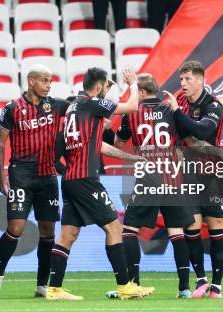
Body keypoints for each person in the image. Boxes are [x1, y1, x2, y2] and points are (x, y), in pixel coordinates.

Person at [46, 67, 154, 301]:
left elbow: (97, 145)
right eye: (105, 86)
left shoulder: (74, 108)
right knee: (114, 227)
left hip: (71, 179)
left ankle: (53, 289)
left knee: (68, 234)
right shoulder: (93, 104)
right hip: (86, 179)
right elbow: (132, 107)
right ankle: (125, 286)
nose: (106, 90)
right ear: (97, 87)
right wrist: (133, 84)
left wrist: (129, 157)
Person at [0, 65, 69, 298]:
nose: (48, 85)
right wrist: (1, 175)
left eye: (50, 81)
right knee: (16, 228)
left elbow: (81, 107)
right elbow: (1, 143)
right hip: (21, 174)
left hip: (48, 176)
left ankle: (42, 284)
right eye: (44, 80)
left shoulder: (55, 105)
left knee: (48, 231)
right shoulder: (12, 108)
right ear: (31, 81)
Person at [114, 73, 194, 298]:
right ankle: (184, 289)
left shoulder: (132, 114)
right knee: (177, 232)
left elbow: (119, 143)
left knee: (129, 229)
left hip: (147, 177)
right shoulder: (171, 111)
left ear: (140, 92)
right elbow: (187, 138)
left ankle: (133, 284)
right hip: (172, 177)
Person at [163, 61, 223, 299]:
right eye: (181, 80)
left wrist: (178, 114)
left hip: (214, 172)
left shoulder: (213, 104)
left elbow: (201, 131)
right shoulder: (177, 100)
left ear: (201, 79)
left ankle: (217, 285)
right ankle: (201, 279)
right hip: (187, 171)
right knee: (192, 226)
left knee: (216, 226)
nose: (183, 84)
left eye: (188, 79)